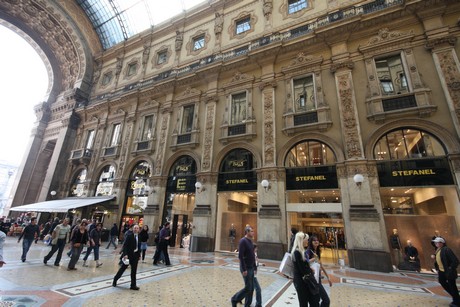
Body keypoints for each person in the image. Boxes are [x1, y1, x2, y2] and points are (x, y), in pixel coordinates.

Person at [292, 231, 320, 307]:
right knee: (303, 303)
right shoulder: (297, 252)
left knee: (309, 301)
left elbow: (304, 265)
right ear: (301, 240)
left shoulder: (301, 251)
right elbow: (302, 269)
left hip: (304, 281)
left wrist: (309, 268)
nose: (307, 241)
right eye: (306, 239)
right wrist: (311, 270)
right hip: (301, 282)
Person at [231, 226, 256, 307]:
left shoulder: (250, 241)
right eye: (251, 231)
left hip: (251, 267)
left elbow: (252, 255)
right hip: (246, 268)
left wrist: (255, 267)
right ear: (247, 232)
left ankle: (247, 304)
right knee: (248, 287)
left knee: (251, 288)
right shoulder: (243, 241)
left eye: (253, 231)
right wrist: (244, 269)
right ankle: (234, 299)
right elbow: (240, 256)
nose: (253, 232)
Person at [432, 237, 459, 307]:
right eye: (435, 242)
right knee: (442, 281)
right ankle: (456, 297)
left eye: (437, 242)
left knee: (452, 286)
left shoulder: (447, 249)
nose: (435, 244)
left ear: (442, 243)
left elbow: (455, 261)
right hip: (441, 271)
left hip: (448, 271)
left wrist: (450, 268)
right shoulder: (438, 249)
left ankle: (456, 302)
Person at [113, 224, 141, 290]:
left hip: (135, 256)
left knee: (134, 271)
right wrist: (125, 254)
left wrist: (139, 255)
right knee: (122, 268)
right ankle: (115, 280)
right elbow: (125, 246)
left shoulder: (139, 236)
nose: (136, 229)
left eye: (137, 228)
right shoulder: (129, 236)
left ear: (139, 229)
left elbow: (138, 246)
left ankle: (133, 285)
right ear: (132, 229)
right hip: (128, 255)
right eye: (135, 228)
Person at [307, 235, 332, 307]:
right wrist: (313, 259)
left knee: (318, 300)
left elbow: (321, 265)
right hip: (313, 279)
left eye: (317, 240)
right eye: (314, 240)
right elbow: (305, 263)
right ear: (311, 242)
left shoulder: (317, 251)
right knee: (325, 300)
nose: (316, 241)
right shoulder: (308, 251)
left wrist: (328, 277)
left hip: (318, 278)